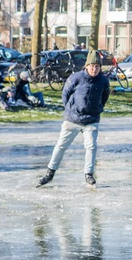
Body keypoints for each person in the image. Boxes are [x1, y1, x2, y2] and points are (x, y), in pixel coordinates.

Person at [37, 55, 111, 188]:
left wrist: (98, 108)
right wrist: (71, 109)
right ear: (87, 66)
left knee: (91, 146)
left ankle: (89, 174)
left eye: (97, 67)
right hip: (73, 119)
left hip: (91, 119)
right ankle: (50, 172)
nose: (94, 69)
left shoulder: (103, 81)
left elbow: (105, 96)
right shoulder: (76, 78)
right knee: (61, 145)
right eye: (92, 66)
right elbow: (65, 94)